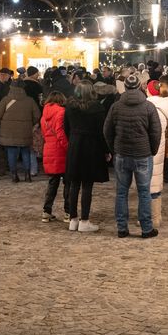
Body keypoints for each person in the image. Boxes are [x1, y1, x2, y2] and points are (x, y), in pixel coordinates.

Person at [103, 73, 162, 239]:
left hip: (122, 153)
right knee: (144, 192)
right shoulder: (148, 106)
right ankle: (146, 228)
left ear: (125, 87)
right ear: (138, 86)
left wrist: (114, 148)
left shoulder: (116, 106)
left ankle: (122, 228)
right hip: (143, 153)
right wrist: (152, 149)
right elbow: (156, 131)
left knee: (121, 192)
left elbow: (107, 130)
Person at [64, 80, 109, 232]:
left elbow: (66, 128)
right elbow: (102, 131)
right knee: (87, 184)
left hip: (75, 144)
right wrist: (106, 150)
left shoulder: (70, 107)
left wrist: (73, 139)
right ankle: (84, 220)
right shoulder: (97, 108)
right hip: (91, 147)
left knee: (74, 183)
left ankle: (73, 219)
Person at [0, 79, 40, 183]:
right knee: (25, 152)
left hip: (9, 131)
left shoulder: (5, 100)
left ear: (11, 88)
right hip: (25, 130)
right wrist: (31, 123)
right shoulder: (30, 100)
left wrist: (2, 123)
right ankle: (28, 175)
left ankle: (14, 175)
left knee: (11, 153)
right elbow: (37, 115)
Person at [146, 80, 168, 230]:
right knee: (155, 182)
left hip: (150, 147)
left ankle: (151, 217)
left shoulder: (151, 107)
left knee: (148, 183)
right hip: (160, 146)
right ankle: (157, 216)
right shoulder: (164, 106)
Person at [40, 91, 70, 222]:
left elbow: (44, 134)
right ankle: (68, 212)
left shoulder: (44, 115)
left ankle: (46, 211)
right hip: (60, 150)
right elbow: (60, 133)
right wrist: (68, 147)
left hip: (49, 149)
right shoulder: (61, 112)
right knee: (67, 183)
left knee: (52, 182)